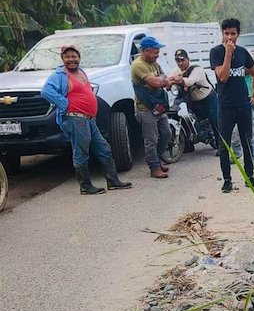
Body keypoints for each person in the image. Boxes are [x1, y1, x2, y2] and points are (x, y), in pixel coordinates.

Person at [41, 45, 132, 195]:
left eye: (74, 56)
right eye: (67, 57)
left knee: (104, 149)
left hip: (88, 119)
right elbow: (46, 91)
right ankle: (85, 186)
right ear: (62, 59)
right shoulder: (59, 75)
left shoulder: (81, 71)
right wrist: (64, 103)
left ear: (79, 57)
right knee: (81, 152)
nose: (71, 59)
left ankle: (113, 181)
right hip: (76, 119)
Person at [210, 18, 254, 193]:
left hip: (243, 105)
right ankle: (227, 180)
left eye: (233, 34)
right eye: (226, 34)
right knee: (225, 145)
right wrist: (228, 54)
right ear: (222, 34)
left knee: (247, 142)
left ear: (238, 34)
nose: (229, 37)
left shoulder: (243, 52)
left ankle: (249, 176)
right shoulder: (216, 52)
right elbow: (222, 77)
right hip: (225, 107)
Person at [132, 36, 176, 179]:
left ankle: (157, 159)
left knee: (166, 133)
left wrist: (162, 80)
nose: (158, 55)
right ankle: (154, 167)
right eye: (155, 52)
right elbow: (157, 83)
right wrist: (162, 81)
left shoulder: (154, 64)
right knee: (151, 139)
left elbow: (164, 78)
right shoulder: (138, 65)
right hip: (145, 108)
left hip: (157, 106)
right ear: (146, 51)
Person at [169, 49, 219, 141]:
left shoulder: (196, 69)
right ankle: (188, 143)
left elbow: (189, 81)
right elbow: (168, 83)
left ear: (188, 59)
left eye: (182, 60)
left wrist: (176, 79)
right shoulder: (176, 71)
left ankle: (221, 146)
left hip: (207, 98)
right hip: (192, 100)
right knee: (185, 117)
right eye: (177, 61)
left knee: (215, 121)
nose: (180, 63)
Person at [231, 71, 254, 168]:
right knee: (234, 134)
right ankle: (237, 153)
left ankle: (253, 157)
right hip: (237, 108)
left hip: (250, 108)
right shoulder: (236, 76)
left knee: (253, 134)